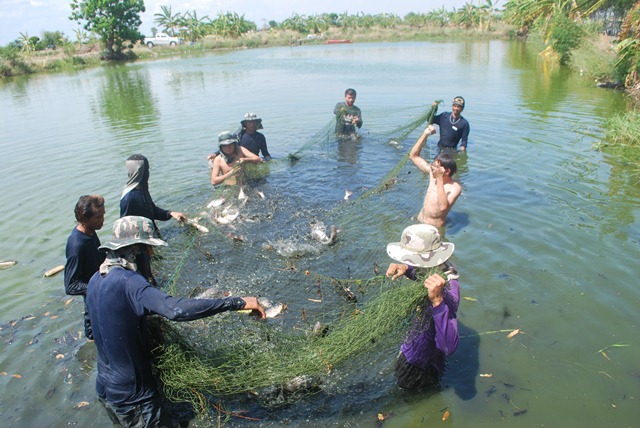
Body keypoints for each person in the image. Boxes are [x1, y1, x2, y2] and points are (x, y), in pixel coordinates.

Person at [86, 215, 266, 427]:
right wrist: (236, 302)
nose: (151, 254)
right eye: (148, 248)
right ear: (135, 249)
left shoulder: (95, 279)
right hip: (135, 397)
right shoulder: (129, 281)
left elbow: (91, 330)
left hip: (106, 390)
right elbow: (175, 310)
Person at [385, 224, 460, 390]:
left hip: (417, 366)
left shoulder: (449, 289)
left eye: (411, 259)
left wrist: (438, 302)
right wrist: (407, 270)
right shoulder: (439, 268)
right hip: (420, 349)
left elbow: (449, 347)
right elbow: (422, 272)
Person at [63, 195, 106, 340]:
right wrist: (98, 286)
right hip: (93, 297)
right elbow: (71, 285)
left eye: (103, 215)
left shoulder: (91, 231)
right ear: (84, 219)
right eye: (98, 217)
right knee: (94, 334)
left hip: (100, 291)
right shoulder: (77, 245)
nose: (102, 220)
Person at [409, 127, 462, 229]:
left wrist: (439, 179)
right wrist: (425, 134)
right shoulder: (432, 173)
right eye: (432, 166)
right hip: (419, 221)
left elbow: (443, 207)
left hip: (435, 229)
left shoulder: (455, 187)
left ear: (447, 171)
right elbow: (413, 156)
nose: (432, 169)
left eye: (436, 167)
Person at [120, 154, 187, 228]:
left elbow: (152, 211)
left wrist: (170, 213)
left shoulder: (142, 190)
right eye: (146, 170)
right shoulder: (129, 198)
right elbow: (124, 227)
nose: (148, 173)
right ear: (140, 172)